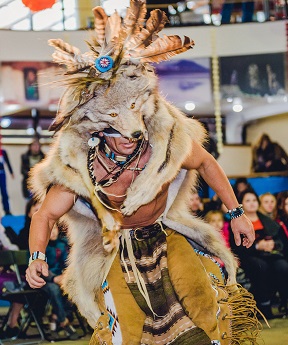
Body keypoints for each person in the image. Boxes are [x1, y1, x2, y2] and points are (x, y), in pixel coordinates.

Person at [25, 3, 257, 344]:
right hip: (114, 248)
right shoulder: (81, 168)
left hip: (167, 235)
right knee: (126, 330)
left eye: (134, 127)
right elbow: (44, 215)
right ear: (99, 131)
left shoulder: (164, 141)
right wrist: (36, 257)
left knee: (202, 301)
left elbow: (207, 162)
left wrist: (236, 213)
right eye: (116, 130)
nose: (129, 138)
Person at [229, 190, 288, 319]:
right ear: (241, 205)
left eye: (254, 200)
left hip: (270, 255)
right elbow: (236, 247)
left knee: (283, 266)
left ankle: (280, 299)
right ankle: (264, 305)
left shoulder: (267, 220)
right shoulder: (238, 222)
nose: (252, 203)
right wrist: (257, 246)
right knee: (261, 267)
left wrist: (272, 245)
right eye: (248, 201)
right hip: (248, 255)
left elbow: (280, 241)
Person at [40, 224, 79, 340]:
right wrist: (53, 278)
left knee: (74, 287)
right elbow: (38, 267)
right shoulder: (40, 246)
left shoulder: (62, 245)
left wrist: (66, 275)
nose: (52, 232)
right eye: (49, 229)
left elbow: (67, 264)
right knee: (54, 288)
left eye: (54, 229)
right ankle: (64, 321)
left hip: (59, 277)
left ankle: (55, 318)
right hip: (42, 280)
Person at [0, 148, 14, 215]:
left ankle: (7, 209)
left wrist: (11, 172)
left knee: (4, 192)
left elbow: (8, 162)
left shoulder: (3, 152)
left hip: (2, 173)